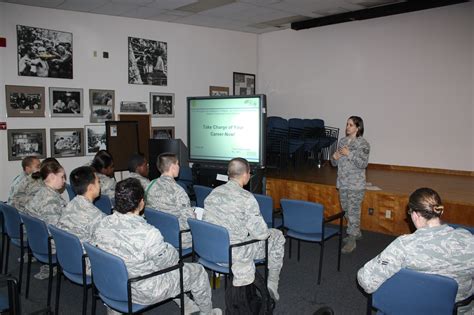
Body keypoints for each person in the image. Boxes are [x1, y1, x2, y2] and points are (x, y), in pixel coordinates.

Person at [90, 178, 221, 315]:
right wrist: (168, 248)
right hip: (142, 290)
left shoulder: (101, 224)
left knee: (155, 264)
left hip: (110, 284)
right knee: (197, 271)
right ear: (141, 203)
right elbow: (171, 262)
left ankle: (187, 305)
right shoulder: (148, 233)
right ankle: (208, 312)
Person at [358, 188, 474, 313]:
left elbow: (367, 282)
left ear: (415, 214)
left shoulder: (403, 245)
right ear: (439, 211)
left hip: (409, 308)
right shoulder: (468, 239)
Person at [203, 158, 285, 301]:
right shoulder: (247, 198)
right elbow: (261, 234)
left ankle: (220, 274)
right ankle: (272, 284)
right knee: (277, 235)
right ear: (246, 174)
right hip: (235, 252)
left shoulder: (213, 193)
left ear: (229, 173)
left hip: (212, 251)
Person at [330, 116, 370, 254]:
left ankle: (352, 239)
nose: (347, 127)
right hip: (343, 183)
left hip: (355, 184)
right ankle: (356, 232)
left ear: (358, 128)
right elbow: (335, 163)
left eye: (351, 125)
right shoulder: (342, 142)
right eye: (347, 124)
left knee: (353, 212)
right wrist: (334, 159)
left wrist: (349, 154)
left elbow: (363, 163)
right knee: (346, 210)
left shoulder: (363, 144)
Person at [146, 153, 194, 249]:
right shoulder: (178, 191)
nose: (179, 167)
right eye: (177, 164)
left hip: (156, 233)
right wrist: (194, 216)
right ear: (173, 166)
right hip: (179, 239)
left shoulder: (150, 184)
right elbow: (189, 222)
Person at [56, 166, 105, 247]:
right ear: (91, 188)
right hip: (84, 257)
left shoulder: (70, 204)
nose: (100, 185)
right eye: (98, 182)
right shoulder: (97, 216)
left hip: (67, 253)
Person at [24, 159, 67, 226]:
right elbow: (56, 229)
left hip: (35, 232)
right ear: (52, 176)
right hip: (48, 235)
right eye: (62, 177)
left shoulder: (44, 190)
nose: (64, 180)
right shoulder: (50, 200)